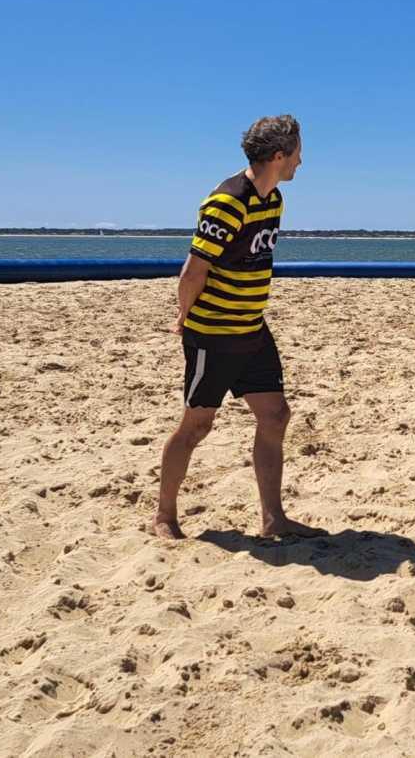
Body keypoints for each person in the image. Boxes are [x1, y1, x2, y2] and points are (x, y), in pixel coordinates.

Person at [153, 115, 324, 540]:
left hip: (252, 330)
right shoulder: (227, 202)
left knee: (276, 414)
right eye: (298, 153)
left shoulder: (273, 201)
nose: (302, 162)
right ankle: (163, 517)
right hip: (213, 333)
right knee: (197, 425)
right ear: (280, 155)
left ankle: (273, 519)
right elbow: (193, 271)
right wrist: (182, 316)